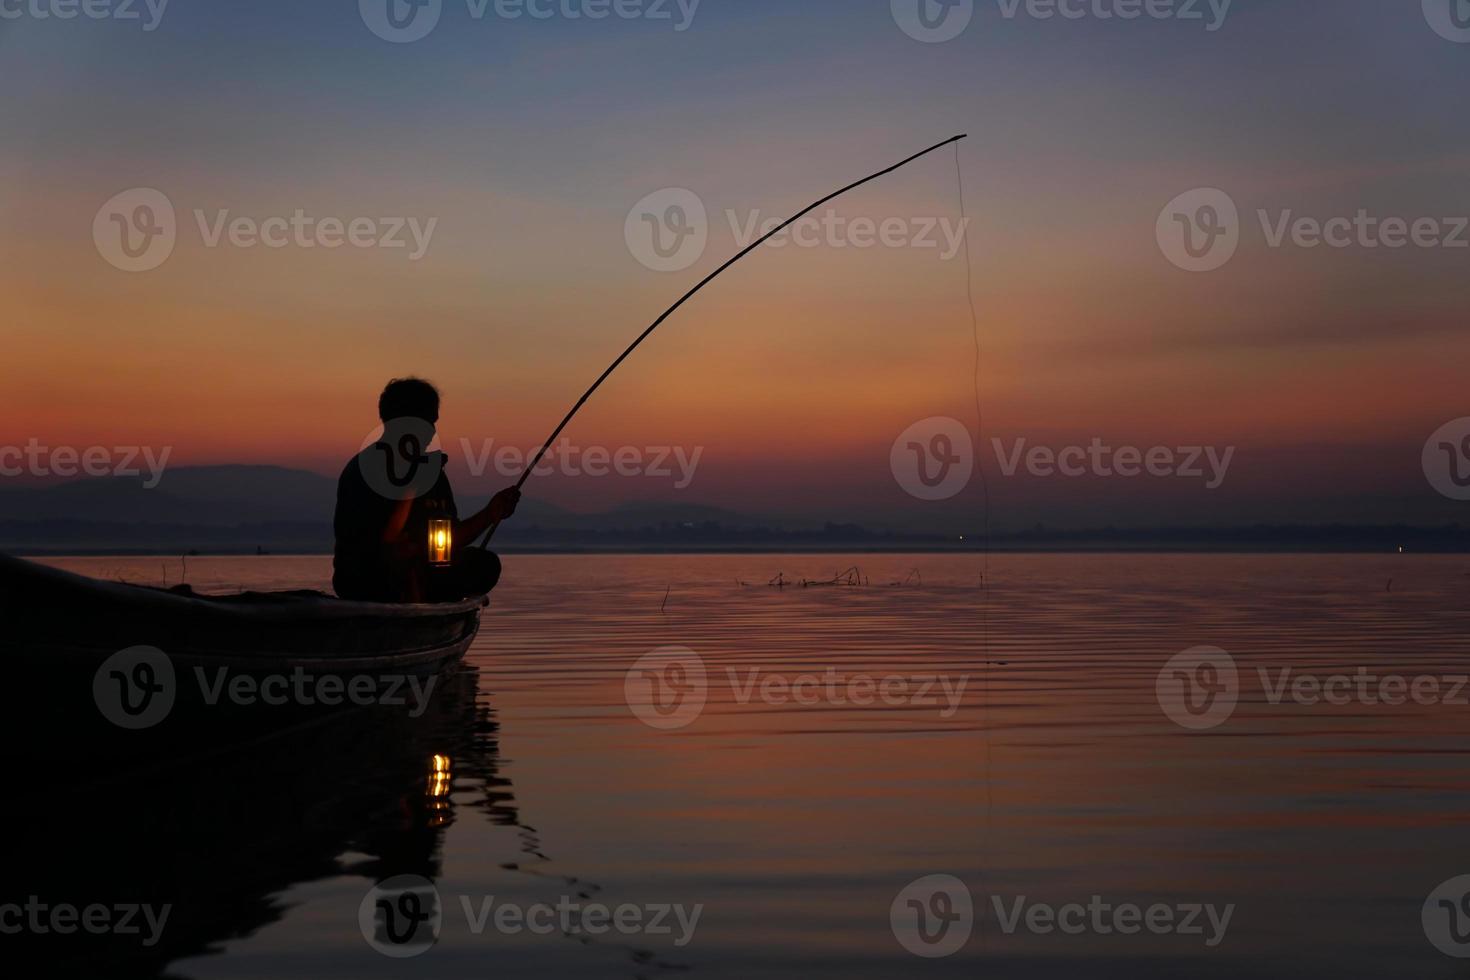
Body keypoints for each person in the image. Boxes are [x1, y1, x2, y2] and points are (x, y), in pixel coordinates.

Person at [333, 378, 520, 603]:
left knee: (483, 564)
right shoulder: (365, 471)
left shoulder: (431, 474)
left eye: (433, 423)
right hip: (368, 583)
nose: (432, 431)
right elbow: (386, 547)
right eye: (427, 422)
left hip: (423, 578)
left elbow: (444, 544)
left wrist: (491, 513)